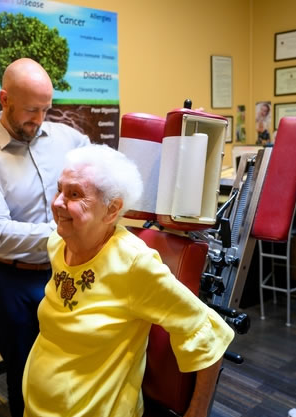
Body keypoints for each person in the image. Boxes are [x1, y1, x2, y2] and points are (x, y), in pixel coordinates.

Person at [22, 144, 235, 417]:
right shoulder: (59, 242)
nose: (58, 203)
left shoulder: (133, 264)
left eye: (74, 194)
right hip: (38, 405)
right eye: (59, 189)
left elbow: (207, 331)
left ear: (112, 210)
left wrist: (197, 411)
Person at [0, 58, 90, 416]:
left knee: (72, 366)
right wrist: (69, 227)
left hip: (67, 272)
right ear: (5, 100)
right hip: (14, 283)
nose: (40, 119)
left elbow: (98, 169)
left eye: (46, 109)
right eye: (32, 109)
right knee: (25, 375)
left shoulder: (67, 138)